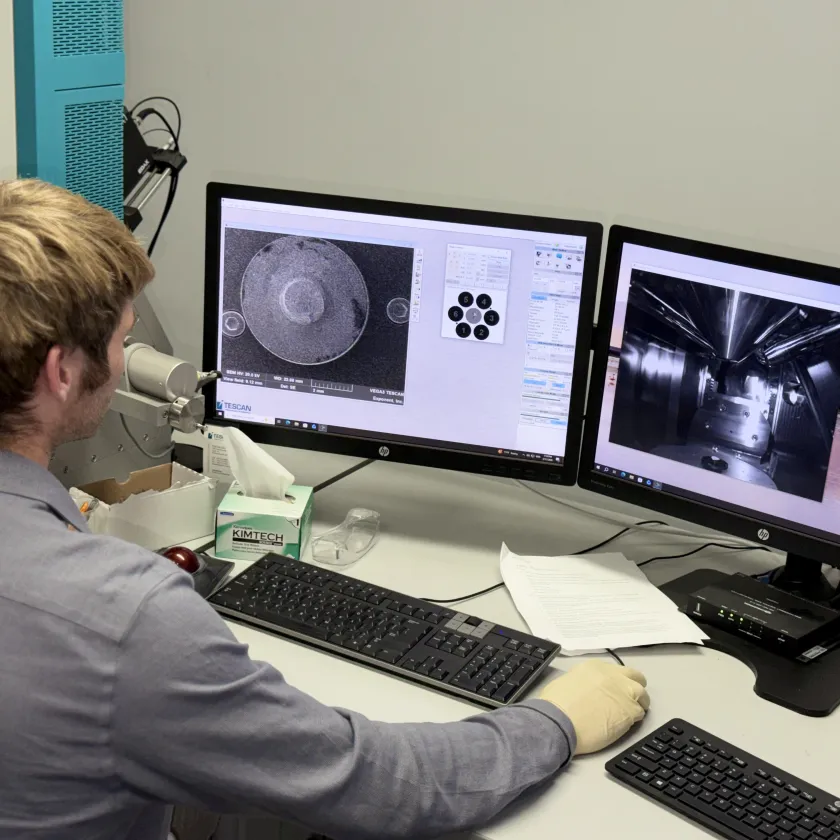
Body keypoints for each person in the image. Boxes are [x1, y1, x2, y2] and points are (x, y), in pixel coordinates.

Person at [0, 179, 650, 840]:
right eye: (121, 340)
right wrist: (554, 721)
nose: (124, 361)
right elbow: (376, 785)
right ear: (59, 372)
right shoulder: (124, 623)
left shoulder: (109, 605)